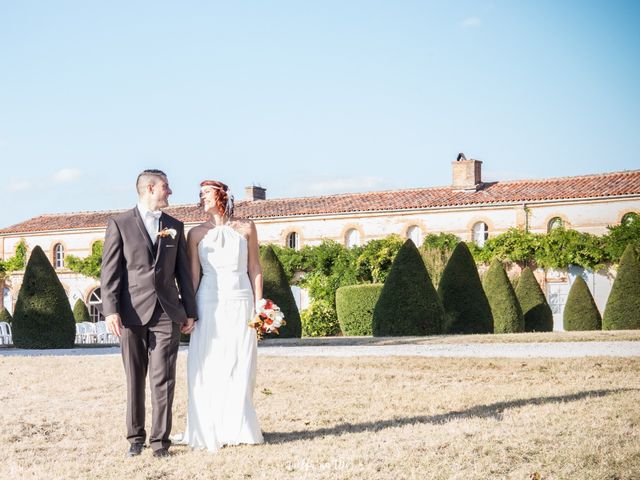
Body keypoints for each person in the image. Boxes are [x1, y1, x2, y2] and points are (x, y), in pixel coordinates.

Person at [101, 169, 197, 458]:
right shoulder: (119, 224)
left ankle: (160, 442)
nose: (171, 192)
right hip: (130, 314)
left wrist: (189, 312)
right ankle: (135, 438)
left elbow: (182, 271)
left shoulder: (175, 226)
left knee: (164, 378)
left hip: (168, 313)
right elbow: (110, 272)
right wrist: (110, 311)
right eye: (166, 187)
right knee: (135, 377)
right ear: (150, 188)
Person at [179, 180, 264, 452]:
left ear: (222, 195)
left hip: (241, 298)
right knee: (208, 361)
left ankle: (238, 425)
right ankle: (209, 425)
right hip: (208, 299)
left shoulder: (246, 228)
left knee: (240, 361)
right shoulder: (195, 234)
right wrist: (188, 311)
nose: (201, 197)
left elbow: (254, 267)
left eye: (206, 193)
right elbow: (193, 275)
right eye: (200, 194)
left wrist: (259, 304)